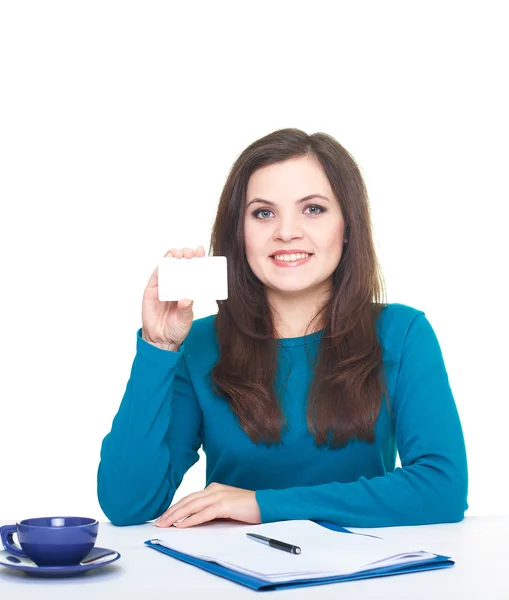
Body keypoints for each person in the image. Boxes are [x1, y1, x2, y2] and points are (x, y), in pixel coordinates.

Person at [97, 128, 468, 528]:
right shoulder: (200, 344)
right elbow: (128, 504)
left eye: (313, 209)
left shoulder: (403, 332)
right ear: (240, 234)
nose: (287, 232)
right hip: (231, 576)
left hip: (362, 574)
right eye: (263, 213)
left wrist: (262, 505)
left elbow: (441, 489)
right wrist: (158, 346)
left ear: (347, 228)